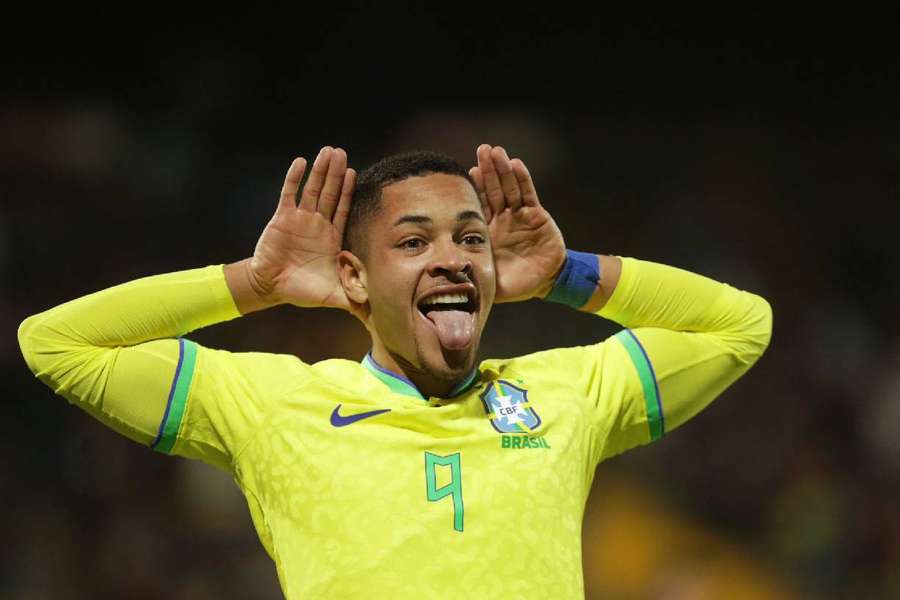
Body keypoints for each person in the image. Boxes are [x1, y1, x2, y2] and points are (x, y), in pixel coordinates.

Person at [17, 143, 773, 599]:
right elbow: (57, 343)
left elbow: (743, 325)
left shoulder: (565, 394)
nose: (451, 257)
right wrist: (253, 283)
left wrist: (565, 273)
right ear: (353, 279)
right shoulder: (278, 404)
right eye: (413, 243)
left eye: (470, 239)